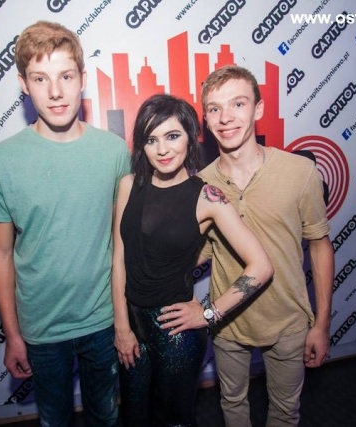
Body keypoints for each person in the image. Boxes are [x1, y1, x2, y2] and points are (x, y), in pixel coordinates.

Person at [158, 66, 335, 426]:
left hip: (288, 321)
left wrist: (321, 324)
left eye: (238, 104)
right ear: (206, 119)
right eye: (214, 108)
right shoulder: (199, 184)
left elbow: (319, 246)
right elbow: (201, 250)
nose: (226, 118)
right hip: (227, 323)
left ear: (258, 108)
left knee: (285, 413)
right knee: (232, 405)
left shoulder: (300, 172)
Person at [0, 21, 130, 426]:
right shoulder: (0, 162)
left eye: (66, 76)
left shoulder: (114, 152)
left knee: (106, 415)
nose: (56, 91)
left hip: (103, 320)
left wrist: (125, 321)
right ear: (23, 84)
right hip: (40, 328)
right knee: (53, 419)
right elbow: (0, 253)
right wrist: (12, 334)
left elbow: (123, 243)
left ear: (83, 79)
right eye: (40, 78)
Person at [112, 94, 273, 426]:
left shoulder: (207, 197)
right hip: (132, 327)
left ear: (189, 136)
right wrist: (122, 327)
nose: (162, 149)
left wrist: (210, 313)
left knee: (175, 421)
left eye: (172, 136)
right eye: (151, 139)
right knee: (133, 417)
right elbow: (119, 258)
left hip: (176, 334)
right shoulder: (128, 185)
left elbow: (262, 267)